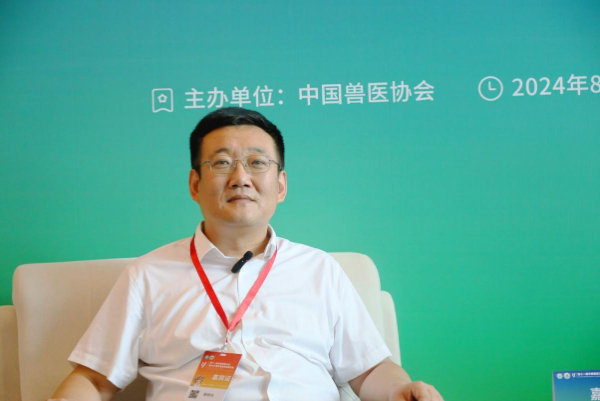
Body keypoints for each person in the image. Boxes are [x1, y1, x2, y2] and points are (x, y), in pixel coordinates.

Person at [51, 107, 443, 401]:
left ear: (281, 185)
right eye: (222, 163)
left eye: (257, 163)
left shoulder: (320, 269)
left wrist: (401, 390)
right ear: (194, 184)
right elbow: (94, 380)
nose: (241, 178)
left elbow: (369, 369)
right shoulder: (148, 276)